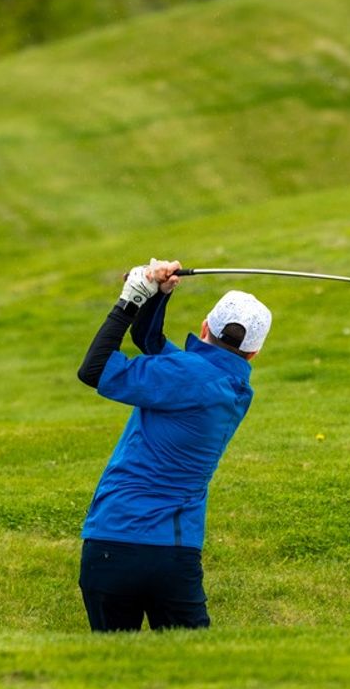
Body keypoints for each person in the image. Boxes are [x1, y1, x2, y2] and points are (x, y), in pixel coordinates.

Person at [75, 257, 272, 632]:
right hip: (175, 554)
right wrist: (159, 295)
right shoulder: (233, 388)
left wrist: (131, 299)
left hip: (112, 539)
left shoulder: (183, 373)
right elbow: (149, 341)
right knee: (193, 662)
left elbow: (93, 370)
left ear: (204, 327)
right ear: (254, 353)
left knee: (113, 660)